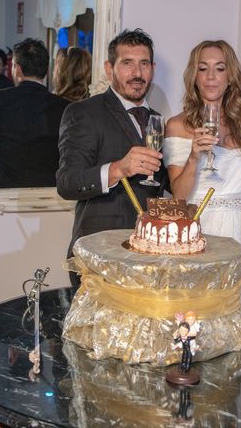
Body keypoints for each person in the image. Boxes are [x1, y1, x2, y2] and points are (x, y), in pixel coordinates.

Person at [163, 40, 241, 303]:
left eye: (219, 68)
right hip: (204, 231)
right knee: (200, 316)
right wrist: (193, 157)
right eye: (203, 69)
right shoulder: (178, 125)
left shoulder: (239, 125)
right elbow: (179, 196)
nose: (211, 76)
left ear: (230, 77)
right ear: (195, 77)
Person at [56, 28, 166, 289]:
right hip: (99, 255)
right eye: (127, 63)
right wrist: (118, 169)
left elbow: (166, 184)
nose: (137, 73)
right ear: (109, 68)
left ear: (153, 69)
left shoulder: (158, 120)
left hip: (150, 257)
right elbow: (67, 182)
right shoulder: (83, 113)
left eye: (144, 64)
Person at [0, 38, 69, 188]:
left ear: (17, 69)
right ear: (45, 71)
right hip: (47, 196)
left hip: (4, 197)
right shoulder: (65, 107)